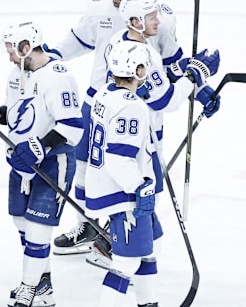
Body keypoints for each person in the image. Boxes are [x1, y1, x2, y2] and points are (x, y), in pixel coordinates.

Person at [48, 0, 186, 256]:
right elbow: (78, 38)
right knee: (86, 169)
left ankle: (128, 237)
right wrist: (52, 54)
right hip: (97, 101)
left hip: (138, 106)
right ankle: (89, 226)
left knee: (134, 171)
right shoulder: (100, 9)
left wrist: (192, 79)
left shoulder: (155, 17)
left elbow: (173, 58)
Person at [85, 0, 221, 269]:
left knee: (135, 200)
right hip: (139, 138)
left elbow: (163, 77)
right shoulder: (144, 52)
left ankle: (119, 248)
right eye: (150, 16)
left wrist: (199, 89)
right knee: (141, 199)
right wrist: (197, 75)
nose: (157, 21)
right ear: (134, 20)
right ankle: (125, 256)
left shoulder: (121, 43)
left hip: (125, 130)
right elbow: (165, 99)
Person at [0, 21, 84, 307]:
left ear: (26, 47)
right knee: (22, 222)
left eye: (12, 52)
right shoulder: (16, 75)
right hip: (21, 162)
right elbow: (18, 115)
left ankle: (28, 287)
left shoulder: (58, 77)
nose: (10, 58)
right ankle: (43, 286)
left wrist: (42, 145)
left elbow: (72, 125)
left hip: (53, 163)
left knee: (39, 228)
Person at [84, 40, 160, 307]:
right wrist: (140, 188)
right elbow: (119, 158)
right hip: (122, 192)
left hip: (103, 183)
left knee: (148, 251)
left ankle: (149, 303)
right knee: (127, 263)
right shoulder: (132, 107)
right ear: (138, 70)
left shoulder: (105, 92)